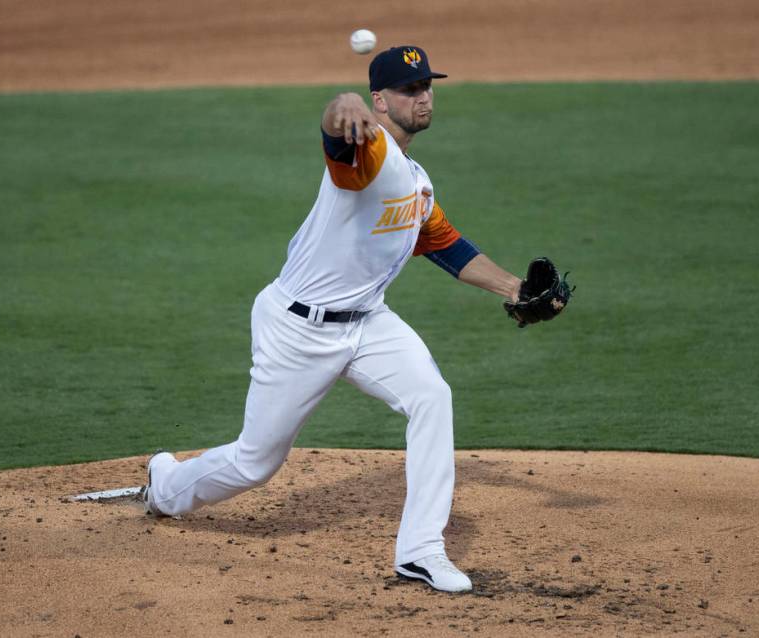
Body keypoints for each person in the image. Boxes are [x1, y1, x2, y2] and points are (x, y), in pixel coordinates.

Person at [143, 45, 525, 593]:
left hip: (369, 324)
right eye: (408, 90)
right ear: (380, 101)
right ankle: (166, 488)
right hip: (298, 329)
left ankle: (420, 552)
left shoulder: (417, 181)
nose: (422, 96)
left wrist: (512, 288)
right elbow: (338, 140)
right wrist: (340, 105)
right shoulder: (368, 153)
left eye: (426, 86)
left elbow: (446, 245)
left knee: (431, 397)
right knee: (256, 463)